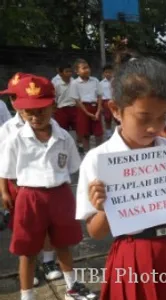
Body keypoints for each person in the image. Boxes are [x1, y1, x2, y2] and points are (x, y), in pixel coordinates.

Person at [76, 51, 166, 300]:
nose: (154, 127)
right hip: (134, 254)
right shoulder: (98, 160)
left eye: (162, 117)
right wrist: (103, 207)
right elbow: (96, 233)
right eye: (143, 118)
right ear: (116, 110)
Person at [0, 74, 96, 300]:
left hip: (60, 194)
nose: (35, 116)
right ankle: (27, 295)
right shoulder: (15, 139)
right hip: (30, 197)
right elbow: (8, 172)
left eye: (41, 110)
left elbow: (73, 167)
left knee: (63, 244)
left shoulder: (64, 138)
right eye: (28, 111)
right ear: (20, 111)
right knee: (27, 250)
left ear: (53, 106)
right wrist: (11, 192)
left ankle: (72, 288)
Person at [69, 58, 104, 153]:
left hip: (95, 108)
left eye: (88, 67)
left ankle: (99, 152)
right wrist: (87, 113)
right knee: (85, 133)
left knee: (99, 133)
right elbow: (77, 101)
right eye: (83, 68)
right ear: (77, 71)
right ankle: (86, 153)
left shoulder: (95, 80)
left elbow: (100, 96)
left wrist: (98, 111)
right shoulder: (75, 83)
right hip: (83, 109)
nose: (87, 70)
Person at [53, 63, 78, 141]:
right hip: (61, 109)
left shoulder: (75, 82)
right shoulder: (56, 84)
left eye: (70, 71)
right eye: (66, 71)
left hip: (74, 107)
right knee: (62, 129)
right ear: (60, 73)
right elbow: (54, 98)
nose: (69, 73)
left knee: (77, 128)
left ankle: (78, 145)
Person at [100, 64, 114, 139]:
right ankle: (108, 133)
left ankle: (118, 132)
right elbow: (100, 95)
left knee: (117, 118)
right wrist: (101, 106)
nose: (108, 74)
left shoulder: (115, 82)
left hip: (115, 101)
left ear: (113, 72)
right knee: (107, 118)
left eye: (110, 72)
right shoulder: (101, 83)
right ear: (103, 73)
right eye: (106, 72)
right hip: (105, 102)